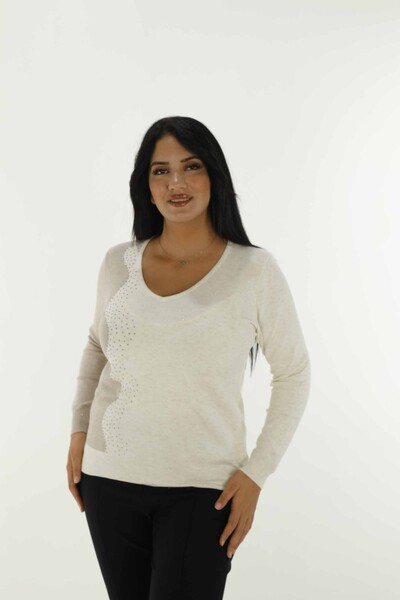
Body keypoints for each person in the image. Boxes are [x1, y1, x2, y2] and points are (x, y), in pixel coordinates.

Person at [66, 115, 311, 600]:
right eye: (161, 171)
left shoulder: (254, 270)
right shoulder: (118, 262)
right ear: (146, 185)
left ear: (214, 175)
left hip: (205, 490)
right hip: (108, 480)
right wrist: (78, 434)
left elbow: (294, 374)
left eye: (191, 166)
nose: (175, 183)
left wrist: (256, 473)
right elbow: (97, 345)